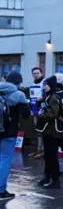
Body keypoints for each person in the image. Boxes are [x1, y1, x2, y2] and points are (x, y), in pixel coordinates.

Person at [0, 71, 30, 200]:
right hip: (9, 132)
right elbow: (25, 115)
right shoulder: (18, 94)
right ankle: (1, 190)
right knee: (4, 159)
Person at [35, 76, 63, 189]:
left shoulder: (53, 97)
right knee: (48, 156)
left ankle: (54, 179)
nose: (44, 87)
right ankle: (48, 177)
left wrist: (39, 115)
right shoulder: (48, 96)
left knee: (51, 156)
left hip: (52, 131)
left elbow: (52, 114)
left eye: (46, 85)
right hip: (49, 130)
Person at [30, 67, 45, 159]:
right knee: (37, 130)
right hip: (35, 109)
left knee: (42, 130)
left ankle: (42, 150)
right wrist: (32, 109)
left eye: (37, 73)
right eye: (34, 73)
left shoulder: (44, 82)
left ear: (41, 73)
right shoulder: (33, 83)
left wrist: (42, 97)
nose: (36, 75)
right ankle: (39, 149)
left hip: (42, 109)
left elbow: (47, 94)